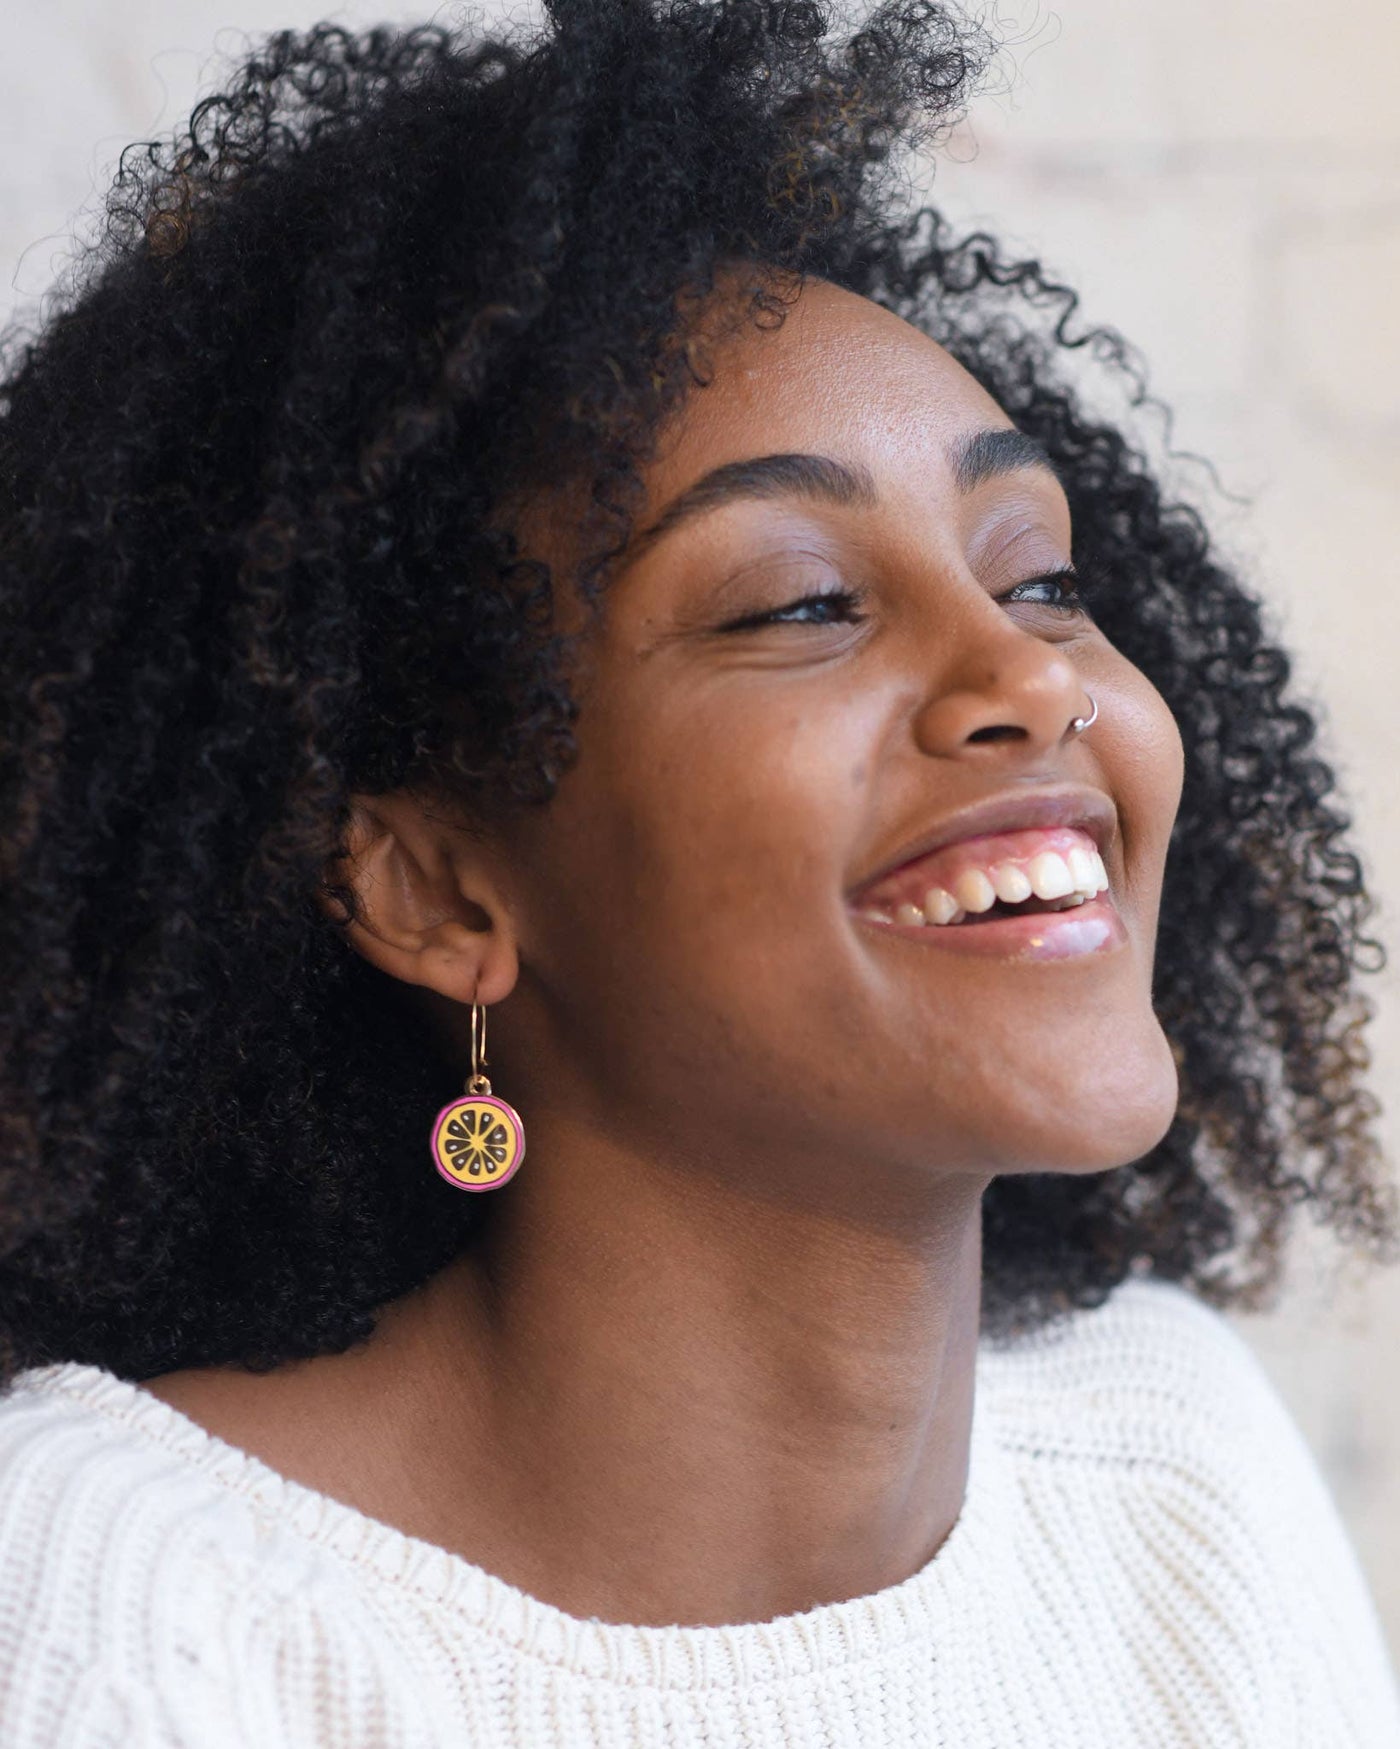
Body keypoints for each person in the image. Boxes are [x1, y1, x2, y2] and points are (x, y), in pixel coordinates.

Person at [1, 1, 1397, 1743]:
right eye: (800, 601)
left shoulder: (1177, 1479)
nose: (1033, 676)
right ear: (439, 891)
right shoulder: (133, 1607)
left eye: (1038, 574)